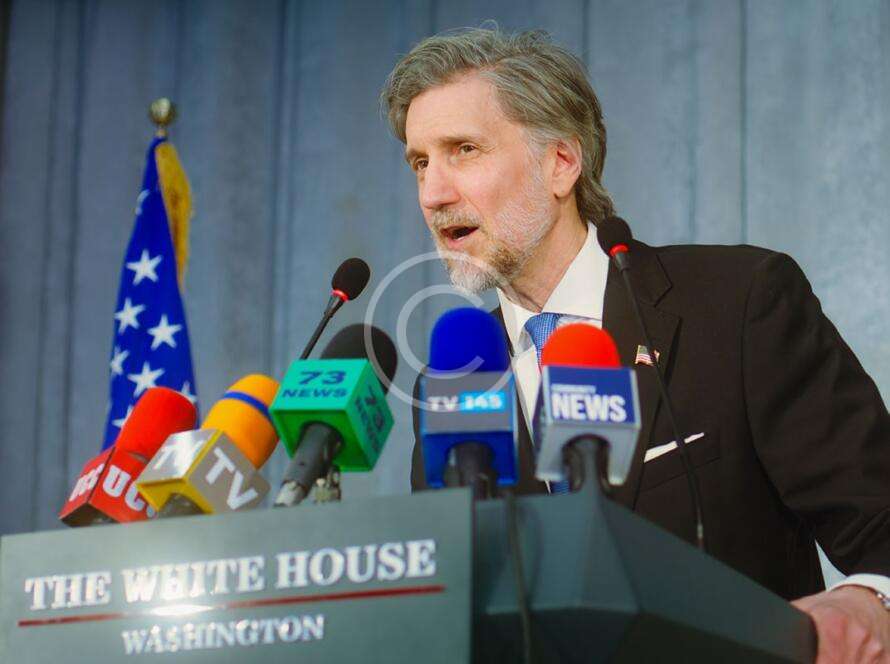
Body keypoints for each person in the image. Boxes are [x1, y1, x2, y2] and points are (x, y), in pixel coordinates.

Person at [381, 28, 890, 662]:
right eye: (420, 163)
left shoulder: (737, 302)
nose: (433, 193)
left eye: (464, 150)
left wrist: (870, 600)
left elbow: (880, 519)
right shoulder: (453, 382)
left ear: (560, 163)